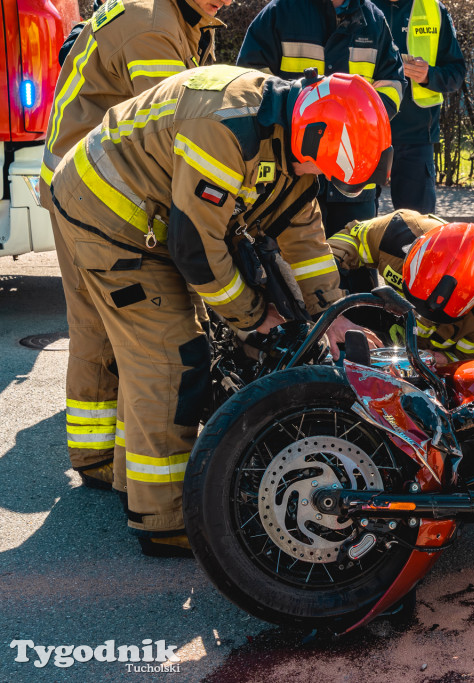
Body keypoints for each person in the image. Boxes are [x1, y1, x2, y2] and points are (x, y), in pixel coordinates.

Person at [48, 66, 392, 556]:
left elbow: (304, 240)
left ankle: (130, 482)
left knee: (159, 354)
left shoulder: (293, 138)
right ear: (313, 134)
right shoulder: (226, 126)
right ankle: (165, 521)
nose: (320, 177)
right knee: (173, 357)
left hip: (158, 221)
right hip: (109, 215)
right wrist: (254, 316)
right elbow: (196, 249)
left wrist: (331, 315)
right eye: (323, 167)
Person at [41, 0, 226, 494]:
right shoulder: (151, 27)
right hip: (90, 191)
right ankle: (100, 457)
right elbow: (177, 125)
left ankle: (107, 453)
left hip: (95, 177)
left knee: (112, 330)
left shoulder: (176, 16)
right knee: (101, 329)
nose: (226, 1)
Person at [236, 0, 404, 233]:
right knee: (295, 263)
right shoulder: (282, 11)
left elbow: (392, 88)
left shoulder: (373, 19)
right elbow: (250, 86)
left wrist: (345, 138)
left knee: (355, 261)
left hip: (355, 182)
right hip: (292, 175)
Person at [328, 210, 474, 360]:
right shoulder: (397, 231)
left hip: (430, 355)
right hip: (386, 316)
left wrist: (447, 361)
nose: (422, 319)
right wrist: (329, 312)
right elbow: (333, 249)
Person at [368, 0, 465, 214]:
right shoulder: (360, 6)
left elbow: (457, 73)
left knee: (417, 227)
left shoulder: (432, 8)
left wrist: (429, 75)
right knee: (356, 222)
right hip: (366, 132)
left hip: (417, 137)